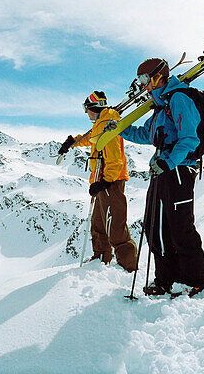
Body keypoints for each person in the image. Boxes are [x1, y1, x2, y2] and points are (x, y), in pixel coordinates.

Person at [114, 58, 204, 297]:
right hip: (161, 170)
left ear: (159, 76)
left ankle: (195, 279)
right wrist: (119, 129)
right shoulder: (160, 107)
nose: (143, 86)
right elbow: (147, 134)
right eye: (140, 81)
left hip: (178, 170)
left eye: (145, 80)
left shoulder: (179, 99)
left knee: (180, 226)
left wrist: (167, 162)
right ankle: (165, 280)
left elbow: (189, 138)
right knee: (155, 226)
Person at [58, 91, 138, 272]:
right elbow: (91, 139)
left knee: (115, 224)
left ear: (91, 108)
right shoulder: (101, 123)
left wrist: (105, 181)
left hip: (111, 181)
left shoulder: (107, 125)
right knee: (98, 223)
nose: (86, 113)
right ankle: (101, 257)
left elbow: (115, 159)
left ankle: (128, 267)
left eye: (86, 109)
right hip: (101, 180)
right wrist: (73, 141)